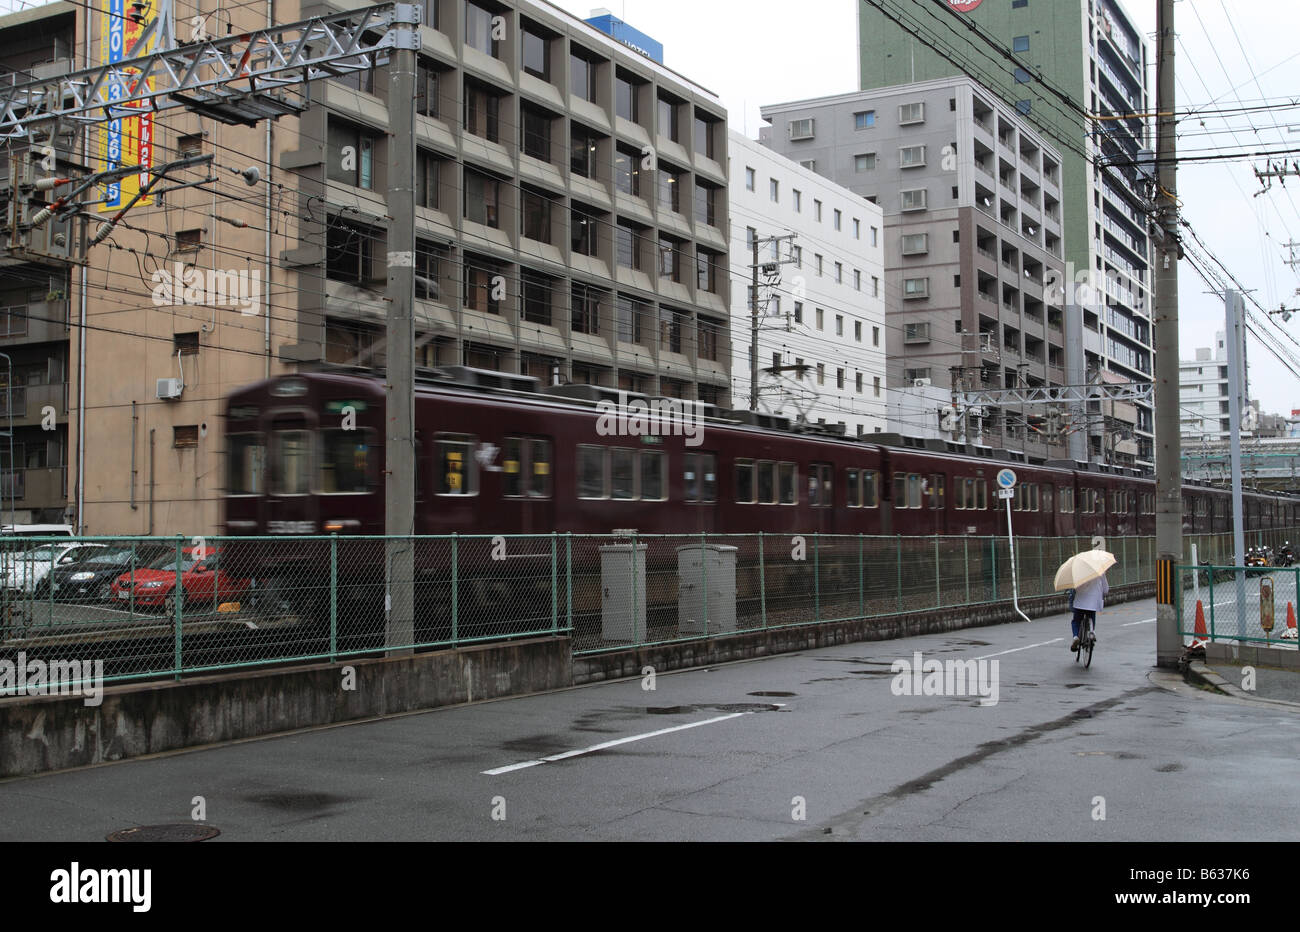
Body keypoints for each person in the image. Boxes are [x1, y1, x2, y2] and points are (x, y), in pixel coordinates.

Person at [1070, 571, 1109, 651]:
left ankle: (1075, 637)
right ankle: (1091, 631)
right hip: (1093, 601)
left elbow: (1073, 588)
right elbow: (1106, 590)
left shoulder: (1078, 571)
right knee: (1091, 615)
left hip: (1080, 602)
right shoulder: (1100, 571)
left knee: (1076, 621)